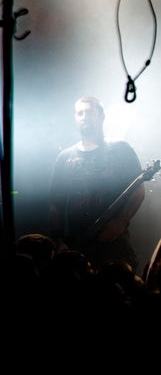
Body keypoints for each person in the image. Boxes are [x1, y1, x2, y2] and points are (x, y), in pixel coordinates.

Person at [48, 96, 146, 271]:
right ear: (75, 118)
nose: (84, 116)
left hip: (114, 243)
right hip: (77, 244)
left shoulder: (121, 149)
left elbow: (138, 189)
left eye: (90, 112)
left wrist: (120, 222)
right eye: (80, 113)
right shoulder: (65, 157)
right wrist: (58, 240)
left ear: (102, 116)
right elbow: (56, 202)